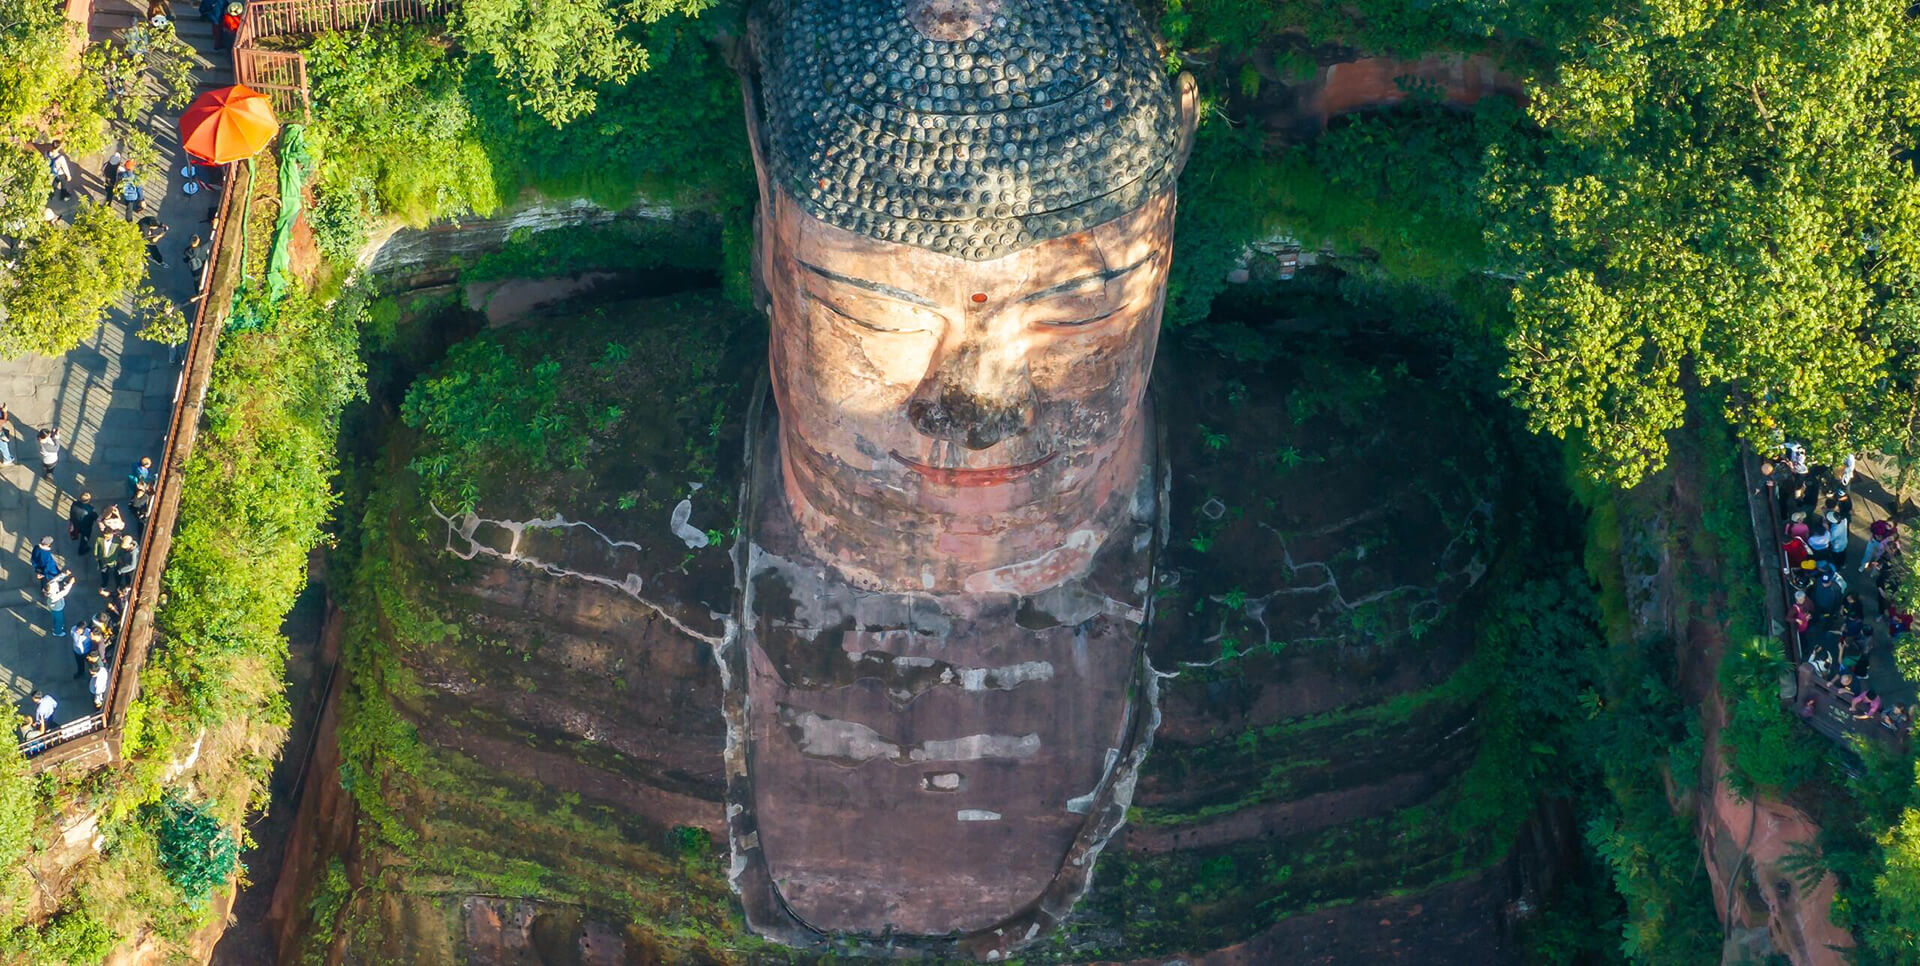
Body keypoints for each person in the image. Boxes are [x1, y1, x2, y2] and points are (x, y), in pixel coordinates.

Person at [44, 569, 73, 636]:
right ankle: (57, 632)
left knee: (55, 618)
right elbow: (64, 592)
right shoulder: (54, 596)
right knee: (59, 621)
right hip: (57, 608)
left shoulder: (49, 585)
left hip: (52, 607)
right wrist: (70, 583)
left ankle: (55, 627)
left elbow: (56, 579)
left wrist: (65, 574)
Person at [68, 491, 96, 557]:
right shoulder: (90, 509)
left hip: (76, 523)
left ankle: (74, 536)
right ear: (88, 500)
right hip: (86, 527)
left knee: (75, 530)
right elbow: (96, 517)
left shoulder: (74, 503)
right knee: (84, 539)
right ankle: (81, 550)